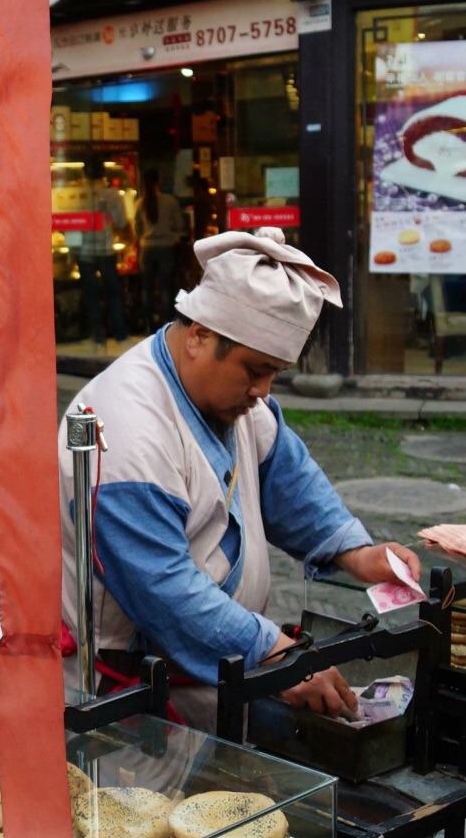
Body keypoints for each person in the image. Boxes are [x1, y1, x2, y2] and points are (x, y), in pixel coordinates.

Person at [59, 227, 421, 731]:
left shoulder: (244, 403)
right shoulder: (126, 430)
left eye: (275, 372)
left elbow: (292, 484)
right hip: (134, 693)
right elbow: (161, 587)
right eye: (255, 370)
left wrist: (357, 554)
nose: (263, 391)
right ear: (201, 336)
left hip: (218, 668)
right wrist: (273, 653)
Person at [75, 159, 129, 346]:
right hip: (106, 249)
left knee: (91, 295)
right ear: (104, 173)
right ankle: (120, 334)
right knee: (113, 293)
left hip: (84, 252)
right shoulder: (112, 195)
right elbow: (121, 222)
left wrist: (73, 251)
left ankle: (97, 337)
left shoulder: (79, 195)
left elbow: (73, 225)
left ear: (84, 174)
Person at [135, 169, 188, 331]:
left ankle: (148, 323)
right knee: (166, 287)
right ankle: (167, 324)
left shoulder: (140, 203)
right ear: (159, 181)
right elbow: (179, 224)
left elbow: (137, 229)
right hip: (166, 247)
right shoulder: (170, 201)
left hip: (147, 248)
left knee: (147, 288)